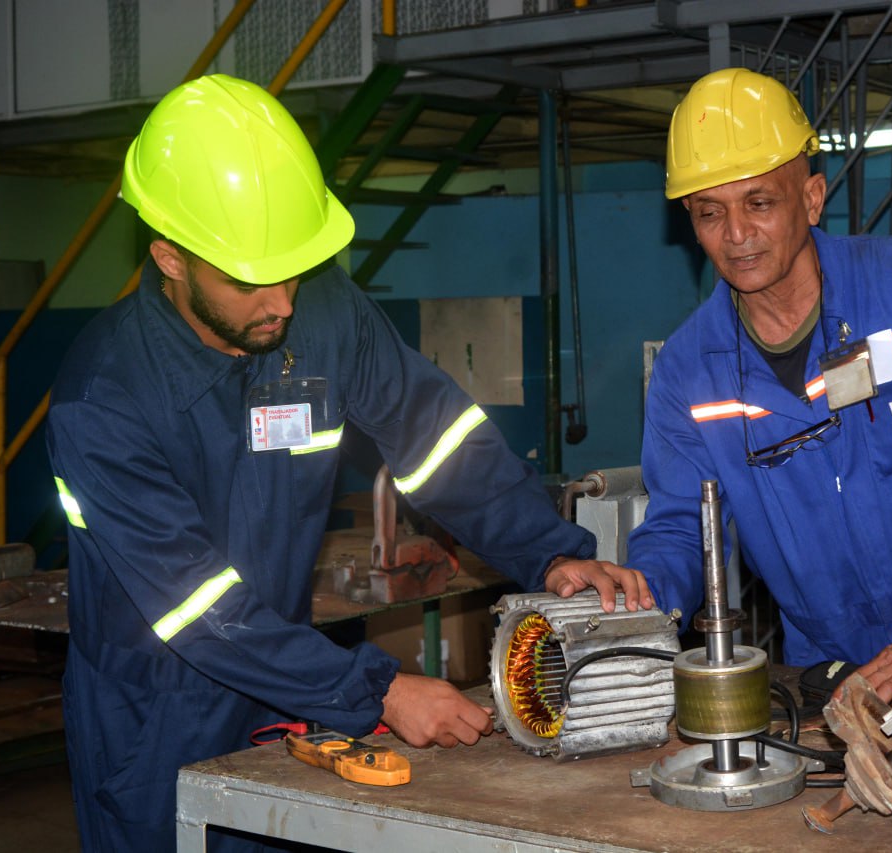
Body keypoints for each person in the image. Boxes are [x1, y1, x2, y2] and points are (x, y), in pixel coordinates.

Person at [45, 74, 650, 852]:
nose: (283, 301)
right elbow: (199, 612)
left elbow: (434, 437)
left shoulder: (322, 312)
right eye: (249, 279)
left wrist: (550, 551)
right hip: (157, 723)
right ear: (169, 256)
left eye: (293, 268)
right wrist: (377, 689)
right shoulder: (103, 399)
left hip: (289, 697)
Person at [625, 67, 892, 704]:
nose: (737, 235)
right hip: (836, 682)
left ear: (812, 198)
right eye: (710, 212)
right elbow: (684, 530)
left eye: (760, 203)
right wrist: (630, 595)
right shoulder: (689, 373)